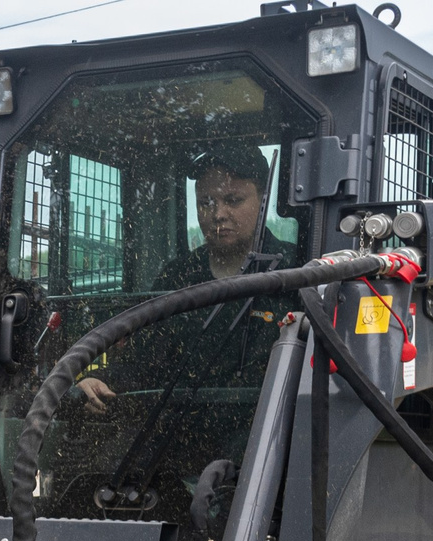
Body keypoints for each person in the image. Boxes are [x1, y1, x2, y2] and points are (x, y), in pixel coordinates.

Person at [78, 145, 282, 416]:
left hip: (265, 440)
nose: (218, 214)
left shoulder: (292, 272)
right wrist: (101, 380)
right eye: (206, 203)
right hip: (174, 436)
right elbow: (143, 359)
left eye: (233, 200)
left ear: (262, 201)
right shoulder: (178, 276)